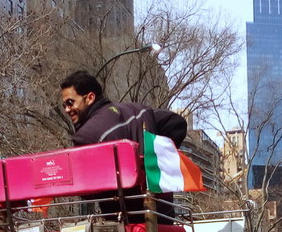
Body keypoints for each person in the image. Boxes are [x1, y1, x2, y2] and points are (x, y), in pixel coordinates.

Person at [59, 71, 187, 223]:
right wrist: (155, 162)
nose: (67, 110)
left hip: (125, 223)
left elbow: (87, 192)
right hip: (163, 215)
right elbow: (177, 123)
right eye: (64, 105)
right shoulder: (138, 110)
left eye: (70, 103)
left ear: (90, 98)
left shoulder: (85, 136)